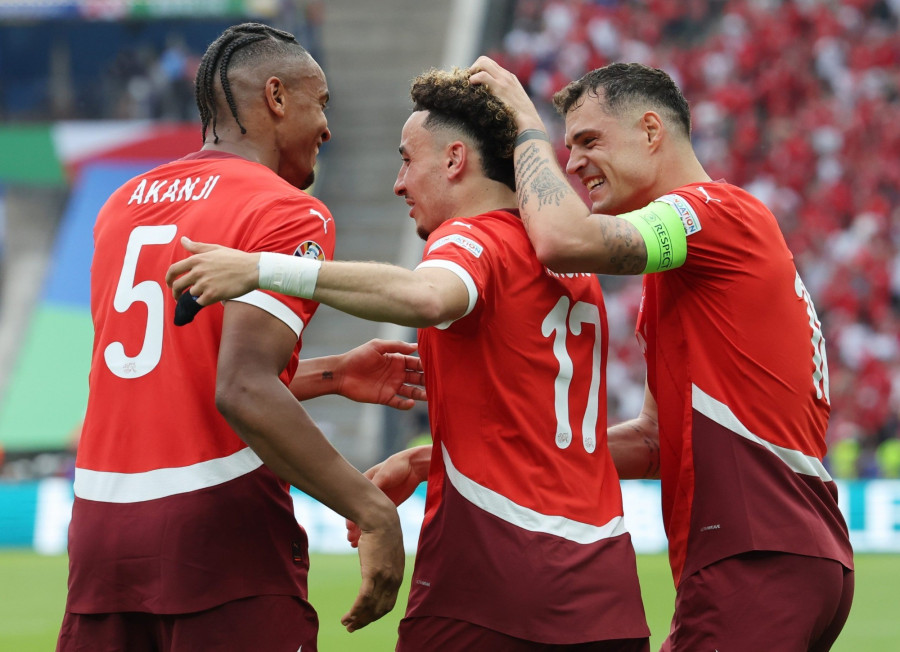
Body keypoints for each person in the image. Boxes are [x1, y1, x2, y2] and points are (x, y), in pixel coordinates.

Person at [166, 66, 650, 651]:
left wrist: (259, 267)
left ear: (453, 161)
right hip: (608, 593)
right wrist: (424, 464)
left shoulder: (474, 237)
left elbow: (427, 297)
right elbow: (536, 434)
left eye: (406, 160)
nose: (398, 183)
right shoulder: (568, 259)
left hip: (494, 585)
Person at [467, 57, 855, 651]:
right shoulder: (683, 269)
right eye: (567, 146)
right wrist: (485, 456)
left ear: (651, 131)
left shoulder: (712, 213)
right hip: (783, 552)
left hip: (754, 552)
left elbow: (563, 240)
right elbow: (656, 441)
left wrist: (525, 125)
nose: (572, 162)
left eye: (589, 140)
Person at [58, 23, 416, 652]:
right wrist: (372, 511)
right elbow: (242, 389)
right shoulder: (285, 210)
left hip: (99, 530)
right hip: (215, 530)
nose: (328, 127)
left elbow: (181, 373)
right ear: (276, 97)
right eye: (320, 102)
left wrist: (333, 375)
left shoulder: (120, 205)